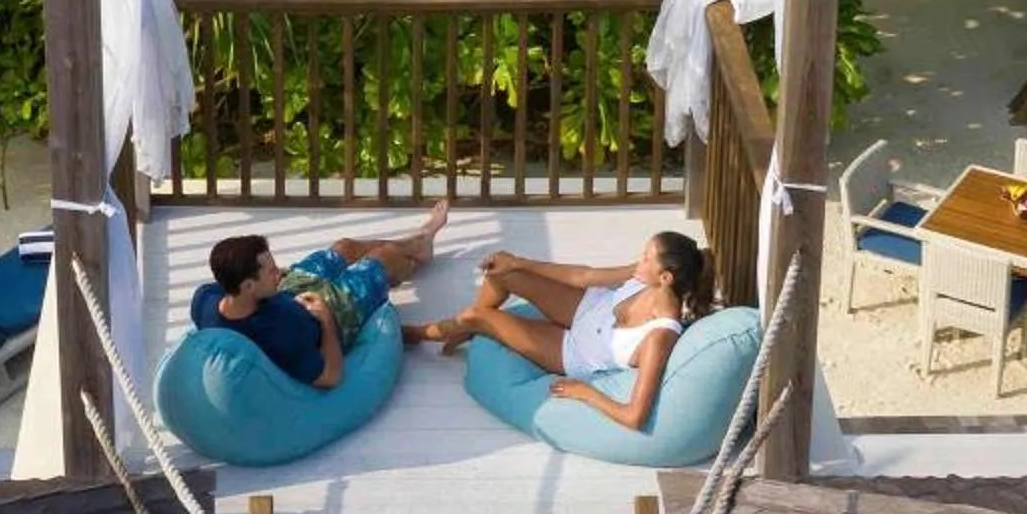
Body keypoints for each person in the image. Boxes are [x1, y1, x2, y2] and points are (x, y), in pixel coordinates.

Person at [414, 231, 714, 432]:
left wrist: (587, 393)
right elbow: (584, 276)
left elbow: (634, 417)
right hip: (586, 308)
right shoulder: (643, 277)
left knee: (474, 315)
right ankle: (465, 330)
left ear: (665, 277)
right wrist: (519, 262)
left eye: (648, 257)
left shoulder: (659, 335)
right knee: (503, 273)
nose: (641, 259)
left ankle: (416, 334)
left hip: (573, 350)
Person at [192, 202, 451, 390]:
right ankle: (420, 244)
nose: (276, 270)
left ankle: (418, 242)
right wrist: (326, 320)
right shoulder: (279, 332)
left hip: (288, 289)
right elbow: (330, 377)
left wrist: (277, 279)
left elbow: (251, 288)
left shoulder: (205, 299)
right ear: (248, 285)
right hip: (332, 310)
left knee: (344, 246)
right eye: (270, 270)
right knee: (385, 258)